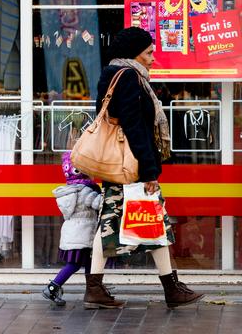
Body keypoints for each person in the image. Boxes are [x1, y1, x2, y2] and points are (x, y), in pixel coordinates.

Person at [84, 26, 204, 309]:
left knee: (121, 223)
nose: (153, 57)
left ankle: (97, 288)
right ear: (134, 53)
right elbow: (134, 126)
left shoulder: (113, 73)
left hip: (122, 165)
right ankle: (169, 289)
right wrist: (149, 170)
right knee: (149, 223)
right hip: (132, 167)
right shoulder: (128, 78)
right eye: (149, 52)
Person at [42, 152, 102, 306]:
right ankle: (52, 287)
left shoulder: (70, 190)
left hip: (74, 234)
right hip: (84, 234)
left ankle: (93, 290)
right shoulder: (86, 191)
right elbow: (98, 204)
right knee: (76, 265)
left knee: (87, 263)